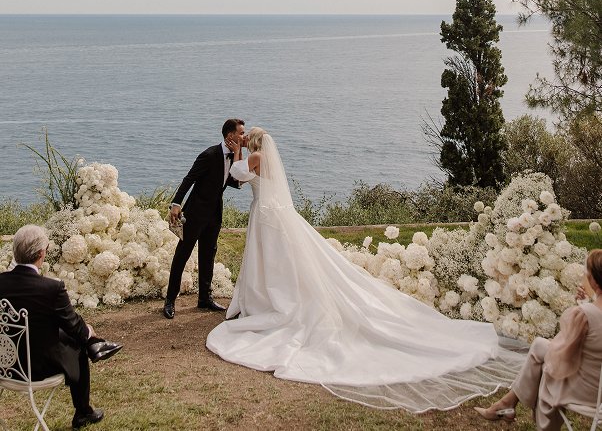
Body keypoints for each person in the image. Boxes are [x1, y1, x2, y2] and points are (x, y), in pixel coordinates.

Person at [206, 127, 525, 413]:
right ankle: (266, 302)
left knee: (274, 265)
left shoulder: (256, 156)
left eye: (248, 138)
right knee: (276, 265)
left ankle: (273, 305)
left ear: (256, 143)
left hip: (267, 217)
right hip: (269, 216)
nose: (245, 140)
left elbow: (236, 172)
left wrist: (237, 150)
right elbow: (243, 178)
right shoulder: (262, 157)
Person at [0, 224, 122, 429]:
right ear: (41, 253)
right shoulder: (51, 288)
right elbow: (74, 327)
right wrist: (88, 332)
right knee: (79, 340)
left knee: (61, 331)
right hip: (35, 370)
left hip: (4, 365)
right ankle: (83, 412)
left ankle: (94, 345)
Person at [474, 248, 602, 429]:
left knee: (543, 368)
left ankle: (510, 406)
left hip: (585, 393)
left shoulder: (584, 315)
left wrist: (582, 307)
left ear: (594, 279)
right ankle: (506, 404)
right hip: (598, 386)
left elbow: (561, 353)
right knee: (541, 346)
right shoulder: (588, 312)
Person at [163, 118, 245, 318]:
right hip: (195, 213)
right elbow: (189, 178)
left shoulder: (233, 157)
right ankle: (170, 300)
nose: (244, 136)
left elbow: (237, 180)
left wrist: (238, 153)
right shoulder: (209, 155)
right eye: (241, 133)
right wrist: (176, 204)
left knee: (209, 255)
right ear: (230, 136)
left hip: (215, 213)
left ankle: (204, 299)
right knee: (182, 254)